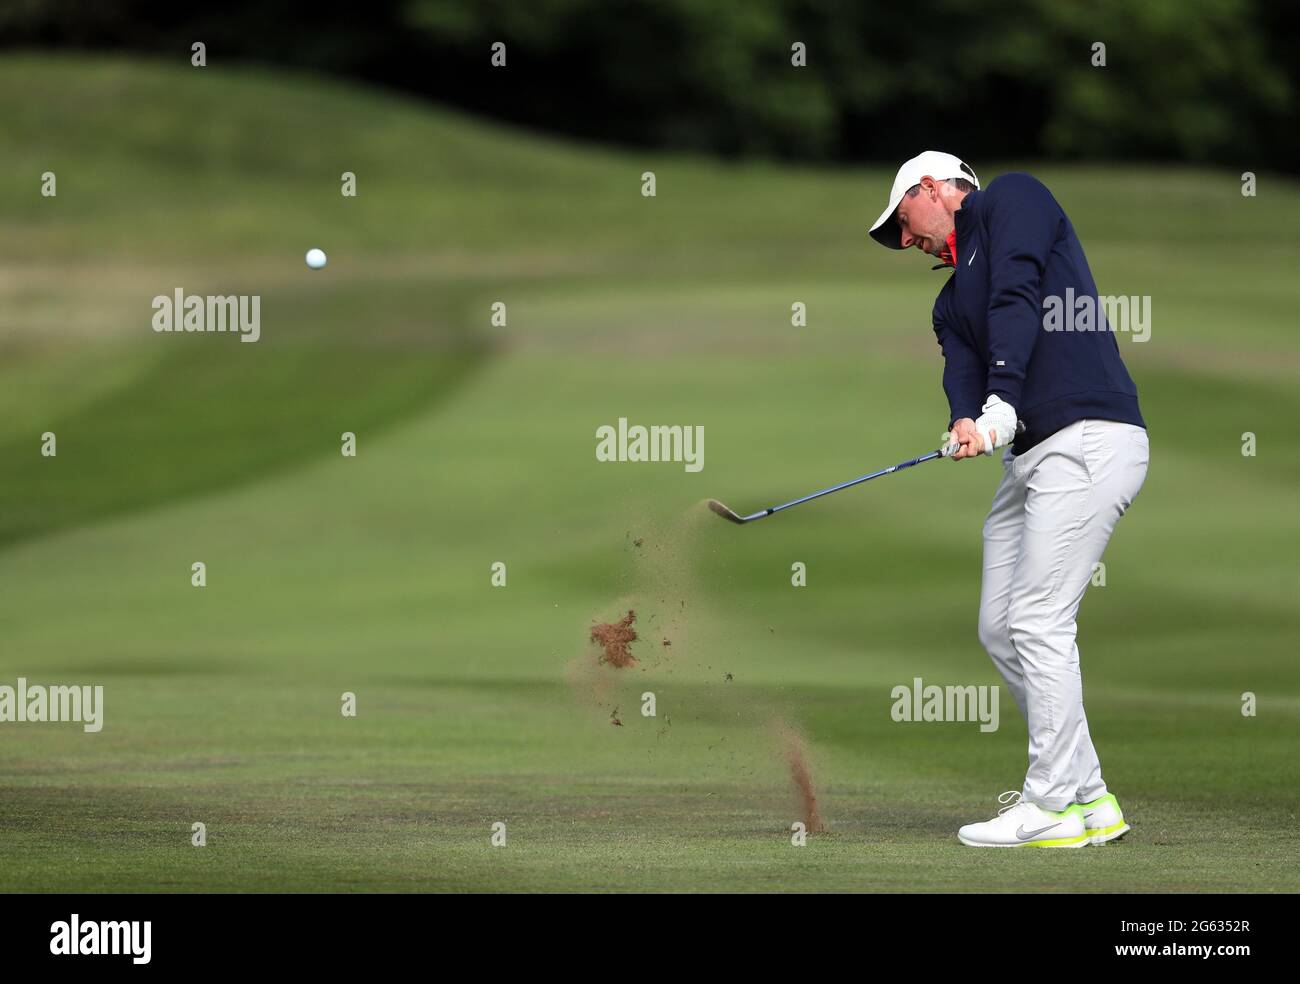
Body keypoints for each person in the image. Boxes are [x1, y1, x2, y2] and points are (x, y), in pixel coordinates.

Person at [868, 151, 1149, 847]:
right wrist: (969, 418)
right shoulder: (947, 300)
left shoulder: (1012, 200)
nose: (905, 242)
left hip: (1086, 437)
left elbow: (1016, 292)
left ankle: (1050, 806)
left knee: (1038, 619)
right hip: (1032, 459)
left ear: (932, 189)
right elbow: (960, 367)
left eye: (903, 222)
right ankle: (1090, 799)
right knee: (1002, 627)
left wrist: (1001, 399)